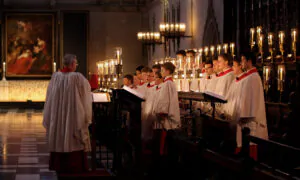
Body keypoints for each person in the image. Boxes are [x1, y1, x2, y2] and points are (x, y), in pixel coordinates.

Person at [43, 54, 92, 173]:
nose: (76, 66)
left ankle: (60, 165)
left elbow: (49, 98)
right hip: (74, 116)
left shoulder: (55, 77)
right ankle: (73, 166)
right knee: (73, 137)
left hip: (58, 116)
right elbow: (86, 97)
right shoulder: (78, 78)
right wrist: (87, 116)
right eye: (76, 63)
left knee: (60, 135)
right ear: (72, 64)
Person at [152, 62, 180, 175]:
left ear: (168, 71)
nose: (161, 72)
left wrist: (160, 112)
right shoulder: (169, 83)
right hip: (167, 119)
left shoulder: (168, 84)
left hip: (167, 120)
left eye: (163, 70)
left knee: (165, 147)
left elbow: (164, 101)